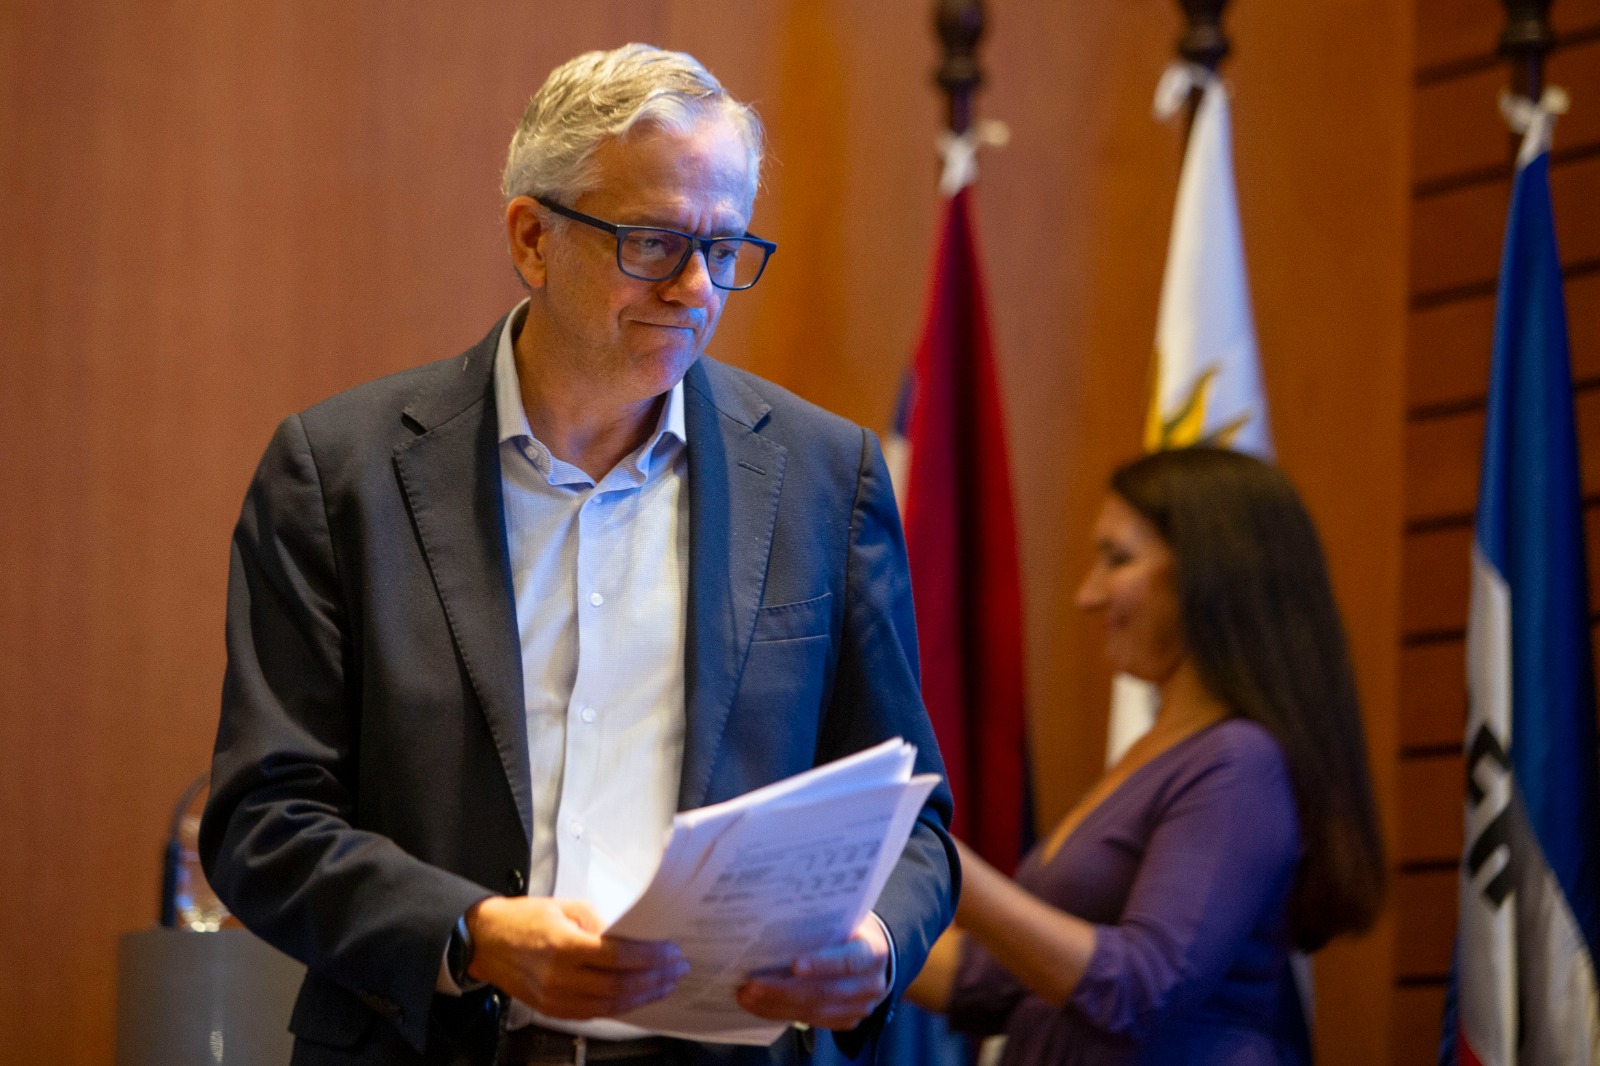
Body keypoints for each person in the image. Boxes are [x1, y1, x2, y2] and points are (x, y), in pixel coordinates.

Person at [199, 44, 956, 1066]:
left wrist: (878, 939)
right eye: (653, 242)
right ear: (532, 236)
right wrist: (471, 934)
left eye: (724, 248)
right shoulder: (341, 474)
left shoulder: (825, 475)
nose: (696, 288)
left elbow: (916, 822)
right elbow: (262, 821)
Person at [907, 447, 1385, 1064]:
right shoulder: (1157, 754)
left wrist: (936, 859)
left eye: (1117, 559)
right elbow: (984, 984)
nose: (1087, 595)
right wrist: (814, 924)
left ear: (1211, 573)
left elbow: (1141, 988)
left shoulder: (1240, 763)